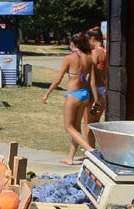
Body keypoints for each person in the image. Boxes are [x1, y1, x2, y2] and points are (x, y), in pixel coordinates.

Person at [42, 32, 98, 165]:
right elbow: (92, 82)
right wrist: (95, 99)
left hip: (73, 95)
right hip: (85, 94)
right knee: (76, 127)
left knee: (68, 127)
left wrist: (47, 93)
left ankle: (90, 149)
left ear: (72, 43)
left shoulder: (69, 58)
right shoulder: (89, 59)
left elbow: (58, 80)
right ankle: (70, 158)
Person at [85, 29, 107, 148]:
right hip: (104, 91)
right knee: (96, 121)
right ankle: (96, 148)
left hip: (96, 93)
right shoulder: (106, 51)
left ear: (92, 39)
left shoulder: (95, 53)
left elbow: (92, 75)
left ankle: (90, 150)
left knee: (89, 123)